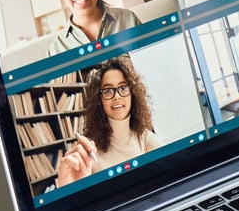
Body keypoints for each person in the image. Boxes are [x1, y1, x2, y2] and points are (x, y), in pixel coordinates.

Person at [54, 57, 161, 187]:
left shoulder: (145, 137)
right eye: (108, 90)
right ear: (100, 100)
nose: (116, 96)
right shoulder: (88, 150)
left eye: (123, 88)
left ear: (132, 94)